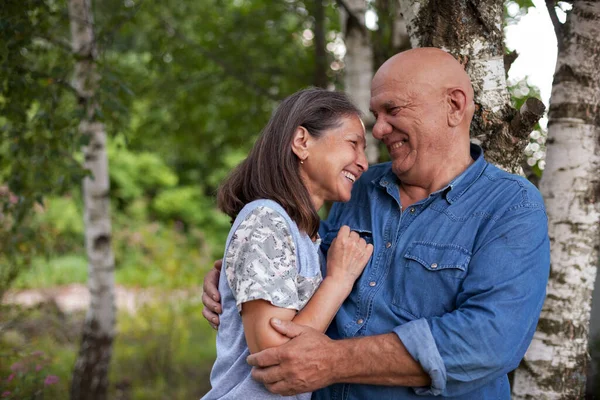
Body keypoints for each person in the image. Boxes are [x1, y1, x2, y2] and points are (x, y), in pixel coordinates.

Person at [202, 48, 550, 399]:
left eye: (393, 110)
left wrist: (335, 361)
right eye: (376, 115)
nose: (380, 129)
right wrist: (239, 275)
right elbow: (297, 258)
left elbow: (489, 341)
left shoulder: (512, 206)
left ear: (454, 106)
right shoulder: (359, 189)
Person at [201, 88, 374, 400]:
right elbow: (276, 357)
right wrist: (339, 280)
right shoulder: (266, 219)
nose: (363, 162)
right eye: (354, 144)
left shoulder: (303, 236)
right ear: (301, 142)